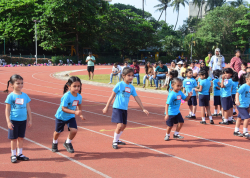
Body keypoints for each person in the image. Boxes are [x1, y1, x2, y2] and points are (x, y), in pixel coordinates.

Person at [103, 67, 149, 149]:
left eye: (132, 75)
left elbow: (136, 98)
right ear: (123, 76)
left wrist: (143, 108)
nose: (131, 77)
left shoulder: (131, 87)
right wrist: (106, 107)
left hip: (125, 109)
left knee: (124, 126)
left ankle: (117, 140)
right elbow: (112, 96)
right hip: (117, 108)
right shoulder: (119, 84)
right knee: (120, 125)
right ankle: (114, 141)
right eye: (129, 75)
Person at [52, 76, 85, 153]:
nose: (77, 88)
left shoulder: (79, 96)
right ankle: (54, 143)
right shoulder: (66, 96)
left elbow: (79, 105)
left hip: (70, 116)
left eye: (78, 86)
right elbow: (63, 108)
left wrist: (80, 114)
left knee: (74, 130)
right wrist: (75, 112)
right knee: (57, 132)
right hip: (61, 116)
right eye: (74, 86)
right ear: (69, 86)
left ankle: (67, 142)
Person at [4, 74, 32, 163]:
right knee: (14, 139)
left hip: (23, 121)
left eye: (21, 83)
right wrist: (8, 121)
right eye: (18, 83)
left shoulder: (25, 95)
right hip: (14, 121)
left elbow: (28, 108)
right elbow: (7, 109)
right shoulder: (11, 96)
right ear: (12, 85)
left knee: (21, 138)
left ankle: (20, 154)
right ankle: (13, 155)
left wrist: (30, 119)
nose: (20, 85)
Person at [234, 73, 250, 138]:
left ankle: (236, 131)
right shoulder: (244, 86)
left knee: (239, 118)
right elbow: (237, 93)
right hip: (241, 105)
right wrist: (237, 100)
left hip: (247, 105)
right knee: (247, 118)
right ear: (247, 79)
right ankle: (245, 132)